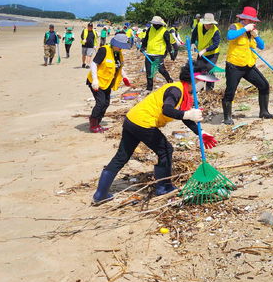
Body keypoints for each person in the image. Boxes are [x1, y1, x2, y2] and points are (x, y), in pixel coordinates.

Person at [91, 62, 218, 204]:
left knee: (122, 156)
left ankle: (100, 194)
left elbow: (186, 118)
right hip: (143, 123)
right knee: (165, 150)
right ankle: (164, 187)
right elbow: (168, 110)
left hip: (132, 120)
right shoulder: (176, 90)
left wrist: (201, 132)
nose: (204, 86)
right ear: (195, 80)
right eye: (203, 82)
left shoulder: (185, 94)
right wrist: (188, 114)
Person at [222, 6, 273, 125]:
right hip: (234, 66)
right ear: (244, 19)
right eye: (250, 21)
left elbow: (261, 46)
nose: (253, 23)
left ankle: (264, 112)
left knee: (264, 85)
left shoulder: (252, 32)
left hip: (249, 66)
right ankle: (227, 117)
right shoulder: (235, 26)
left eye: (253, 21)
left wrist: (256, 36)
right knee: (230, 91)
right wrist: (244, 29)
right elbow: (230, 36)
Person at [87, 34, 132, 133]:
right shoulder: (104, 50)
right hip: (97, 82)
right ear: (115, 43)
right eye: (120, 46)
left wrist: (125, 77)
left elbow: (119, 66)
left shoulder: (118, 53)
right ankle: (93, 124)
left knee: (106, 103)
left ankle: (98, 122)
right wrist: (95, 80)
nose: (121, 48)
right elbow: (94, 64)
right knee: (100, 103)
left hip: (108, 83)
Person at [141, 16, 174, 91]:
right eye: (153, 23)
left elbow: (168, 44)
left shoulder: (165, 31)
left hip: (159, 54)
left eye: (156, 23)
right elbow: (146, 39)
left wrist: (171, 54)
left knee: (161, 70)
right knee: (149, 71)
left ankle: (170, 81)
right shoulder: (150, 29)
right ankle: (149, 88)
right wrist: (143, 46)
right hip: (149, 53)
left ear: (159, 24)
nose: (154, 25)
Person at [191, 13, 221, 91]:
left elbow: (215, 44)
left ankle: (209, 90)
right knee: (199, 69)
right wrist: (193, 43)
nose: (209, 25)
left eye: (211, 24)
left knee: (209, 69)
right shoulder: (199, 25)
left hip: (212, 53)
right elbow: (194, 34)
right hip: (201, 52)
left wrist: (205, 50)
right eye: (207, 24)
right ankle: (199, 89)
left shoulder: (215, 31)